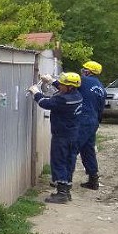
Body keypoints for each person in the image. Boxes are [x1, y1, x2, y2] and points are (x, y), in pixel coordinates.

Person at [30, 71, 83, 204]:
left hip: (62, 136)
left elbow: (45, 103)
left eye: (63, 84)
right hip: (74, 135)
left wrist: (36, 92)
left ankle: (61, 193)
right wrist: (51, 81)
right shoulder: (77, 95)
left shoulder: (63, 100)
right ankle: (67, 190)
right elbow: (62, 88)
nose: (61, 86)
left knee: (59, 162)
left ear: (70, 87)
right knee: (69, 162)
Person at [75, 61, 106, 190]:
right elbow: (101, 108)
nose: (82, 71)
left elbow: (67, 86)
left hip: (83, 119)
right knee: (88, 150)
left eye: (84, 69)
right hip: (93, 121)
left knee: (71, 148)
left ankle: (62, 182)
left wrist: (51, 81)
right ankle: (93, 180)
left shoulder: (83, 80)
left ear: (88, 71)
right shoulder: (101, 88)